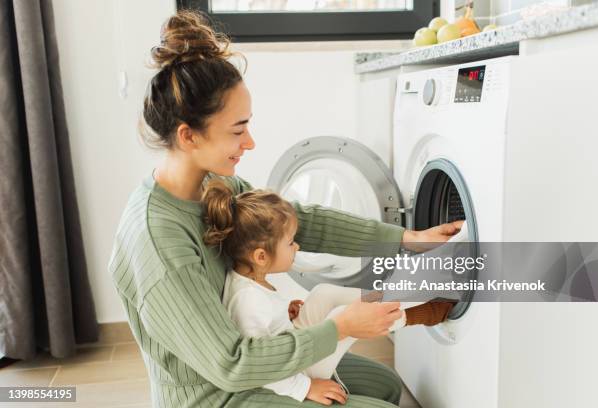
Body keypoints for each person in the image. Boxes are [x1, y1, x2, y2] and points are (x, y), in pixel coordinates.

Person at [108, 10, 463, 408]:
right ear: (188, 136)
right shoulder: (159, 242)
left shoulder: (215, 184)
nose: (251, 143)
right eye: (238, 130)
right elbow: (231, 364)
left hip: (254, 361)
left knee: (382, 383)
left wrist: (404, 238)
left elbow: (299, 221)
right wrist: (338, 326)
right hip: (217, 394)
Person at [201, 180, 456, 405]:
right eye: (290, 242)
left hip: (293, 347)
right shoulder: (247, 301)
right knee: (343, 315)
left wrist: (285, 313)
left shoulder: (250, 280)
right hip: (294, 372)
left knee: (324, 293)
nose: (297, 246)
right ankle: (420, 311)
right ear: (260, 256)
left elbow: (267, 327)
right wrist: (306, 388)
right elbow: (260, 368)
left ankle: (394, 294)